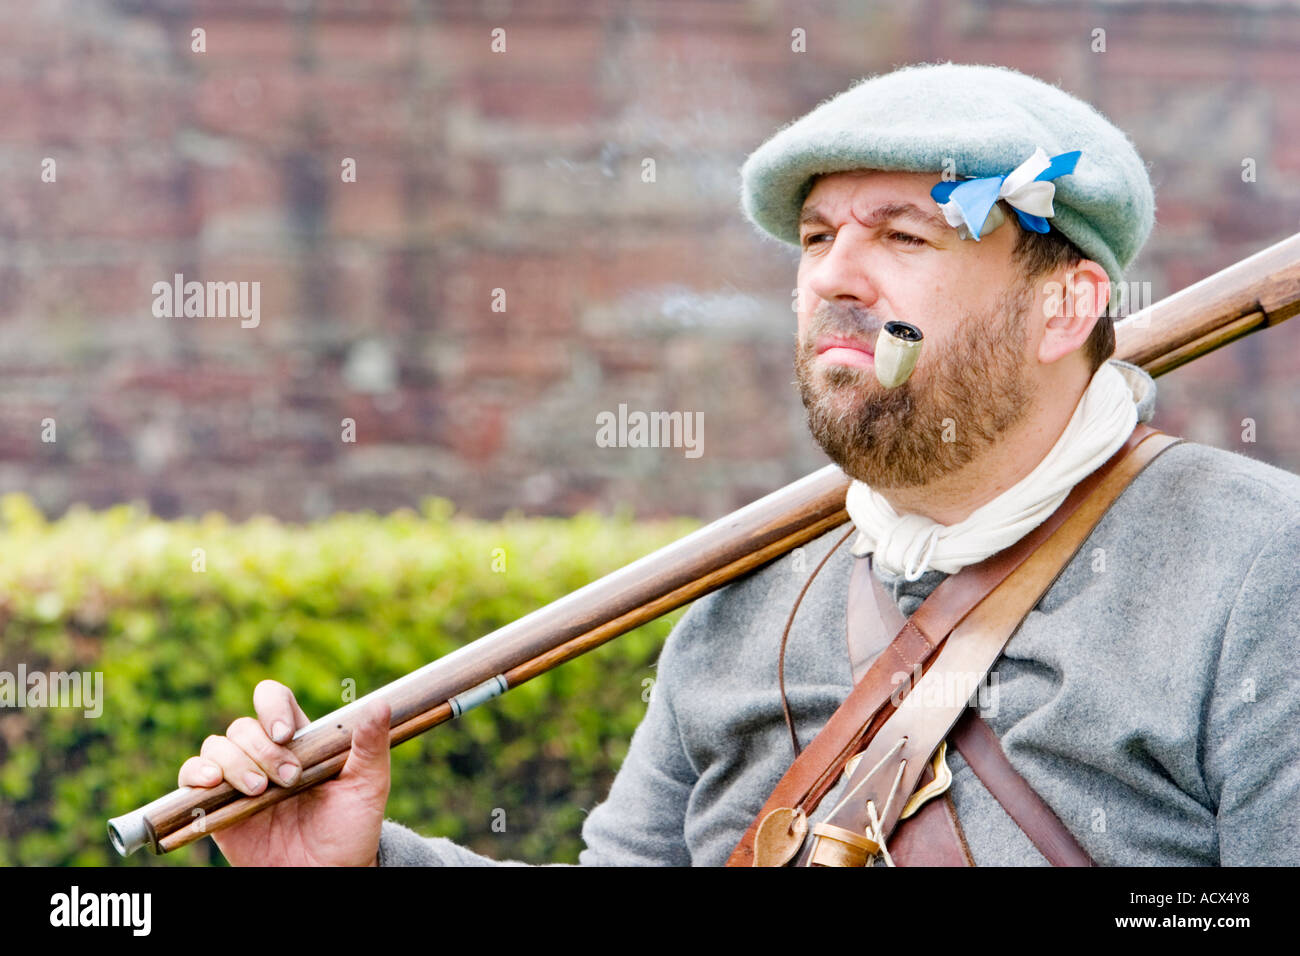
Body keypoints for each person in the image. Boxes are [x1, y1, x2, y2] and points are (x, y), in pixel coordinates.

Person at [177, 61, 1300, 866]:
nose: (835, 278)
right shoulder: (741, 597)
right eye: (818, 239)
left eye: (903, 235)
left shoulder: (1258, 565)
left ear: (1066, 305)